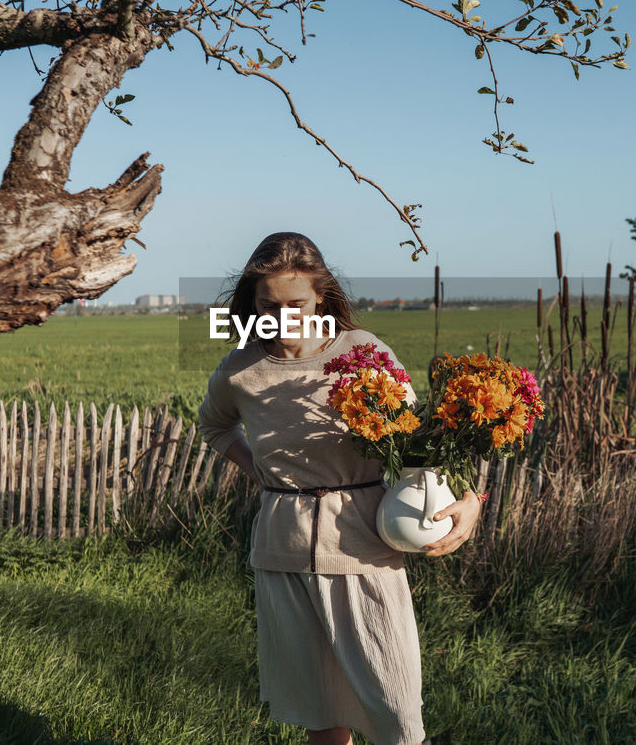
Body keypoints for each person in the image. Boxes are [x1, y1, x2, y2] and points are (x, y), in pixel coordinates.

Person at [196, 232, 483, 745]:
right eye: (267, 306)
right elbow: (214, 426)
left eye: (295, 305)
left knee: (397, 714)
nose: (281, 320)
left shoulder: (364, 352)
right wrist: (258, 469)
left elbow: (424, 439)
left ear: (321, 297)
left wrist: (469, 501)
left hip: (363, 549)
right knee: (320, 714)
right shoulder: (241, 369)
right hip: (280, 553)